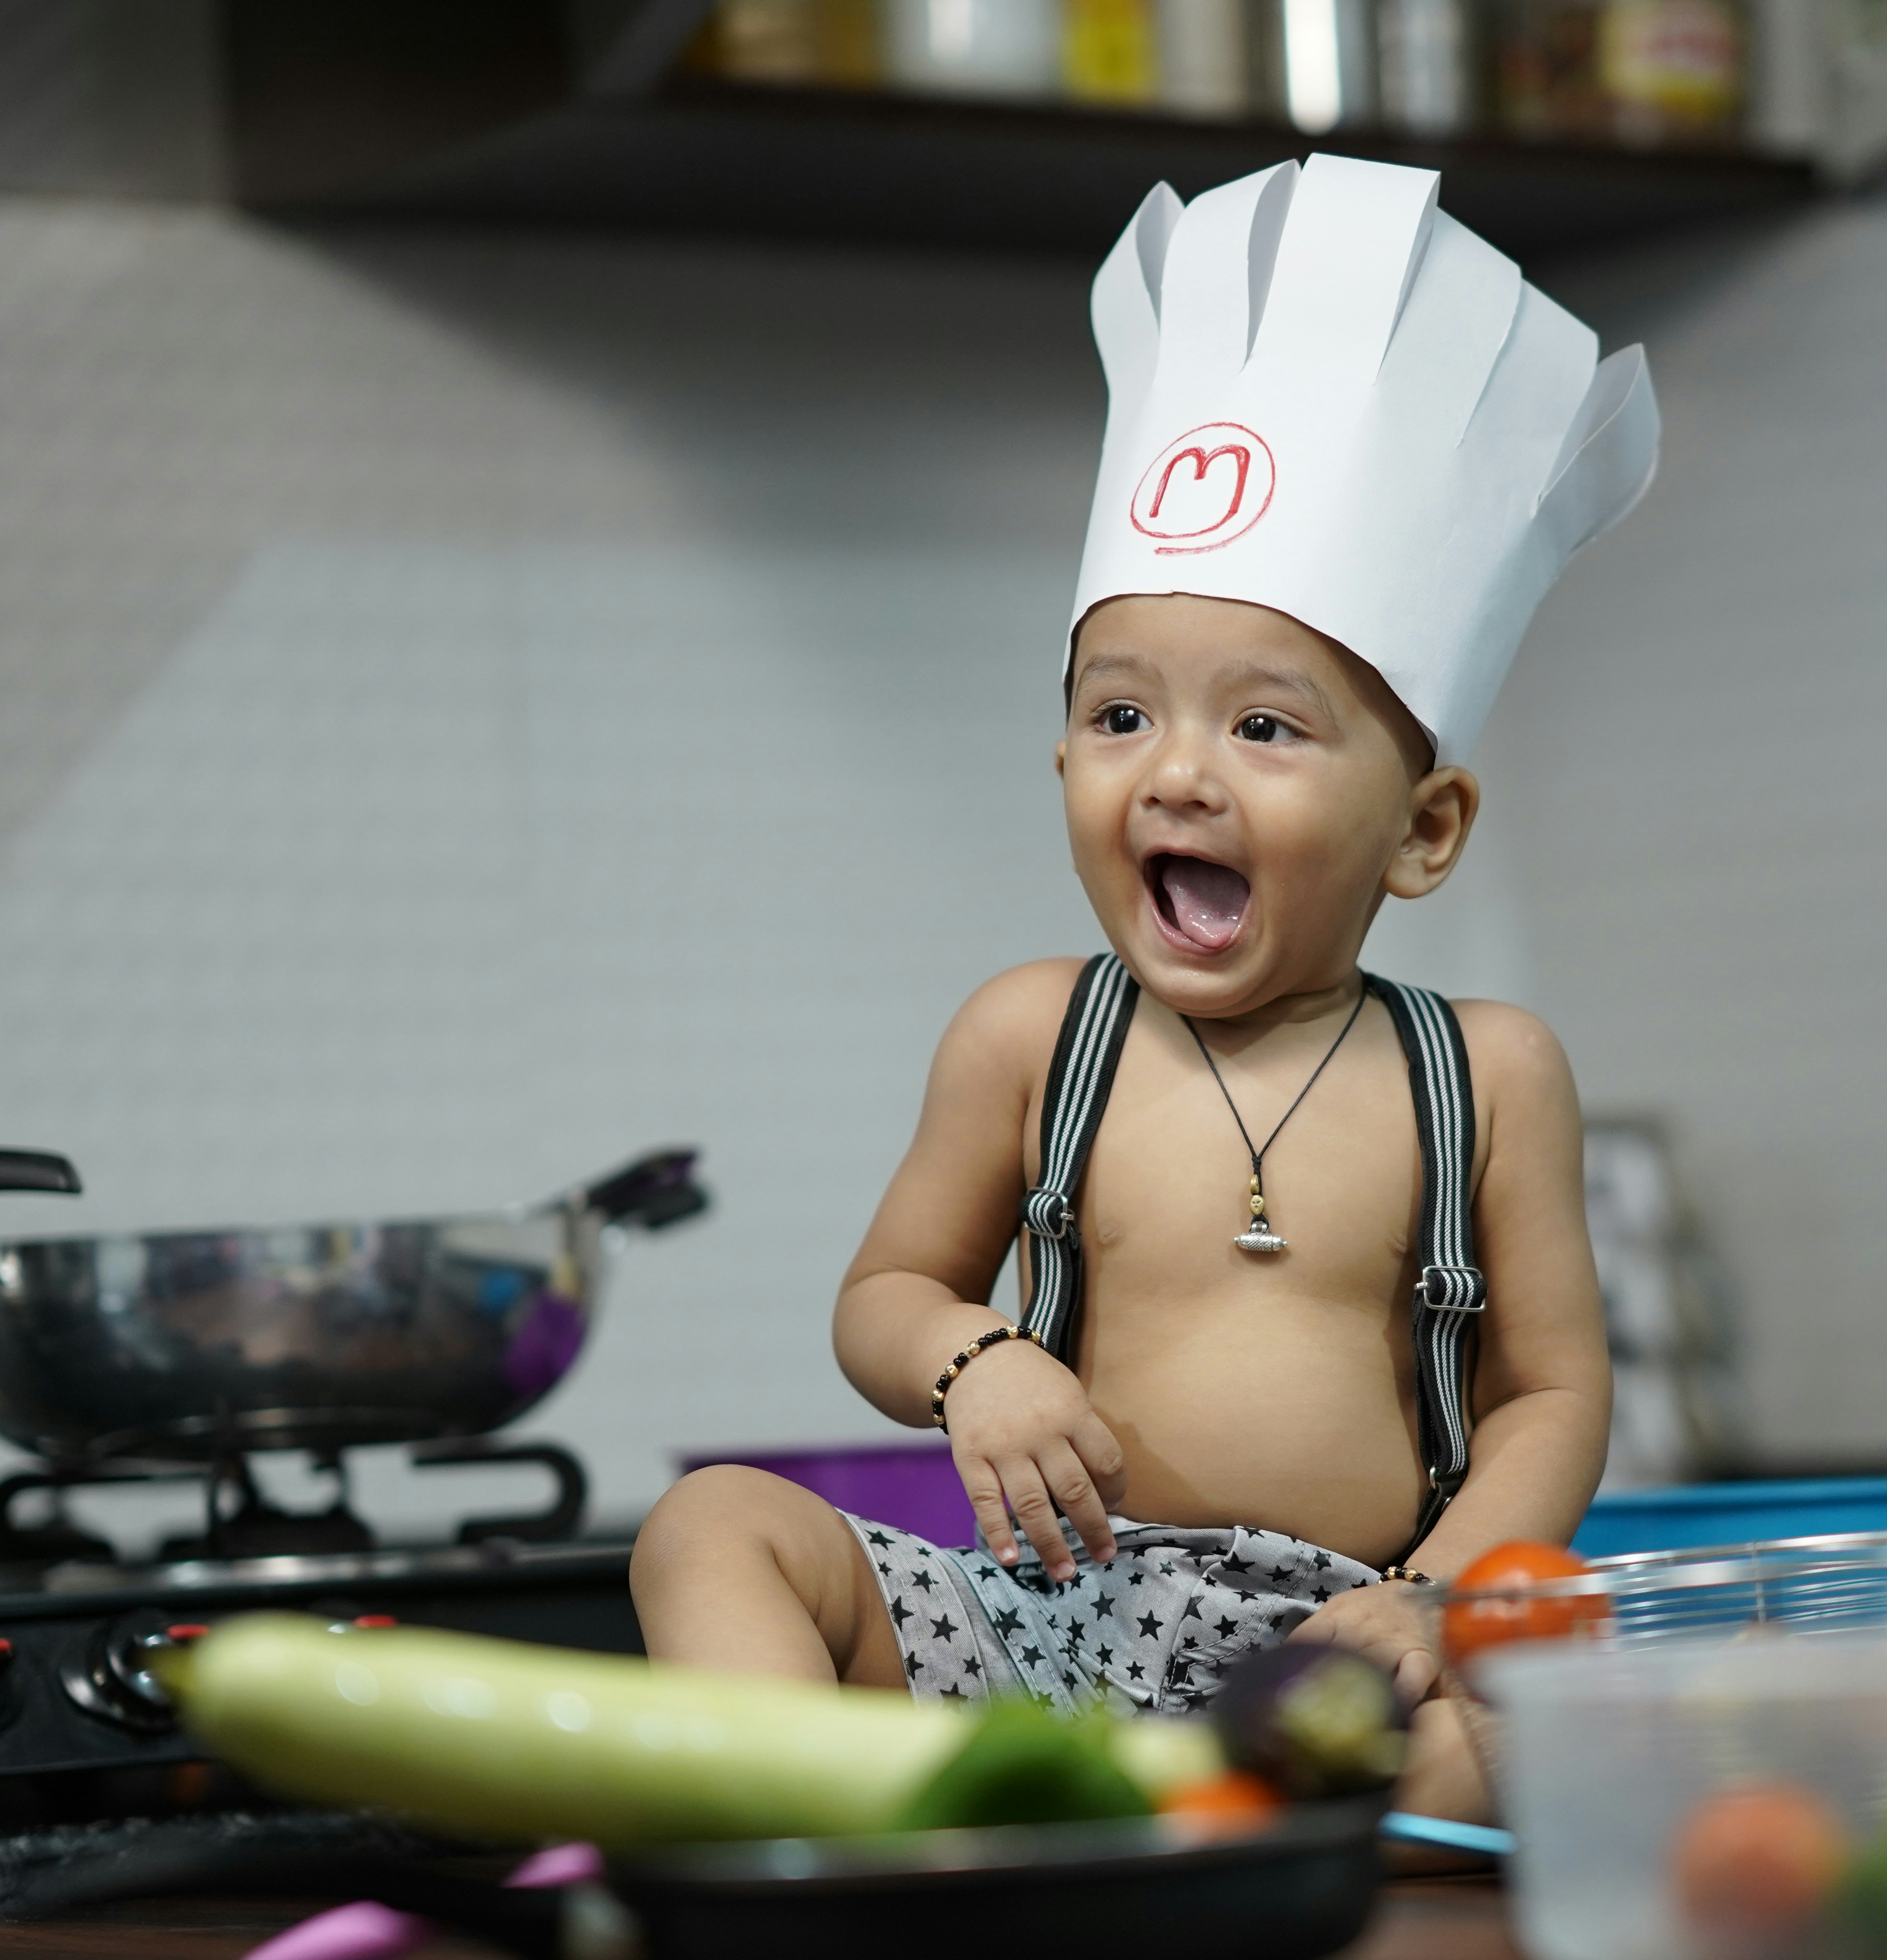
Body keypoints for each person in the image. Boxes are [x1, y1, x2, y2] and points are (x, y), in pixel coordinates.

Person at [628, 152, 1659, 1822]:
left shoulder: (1490, 1071)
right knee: (712, 1527)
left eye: (1263, 726)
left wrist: (1442, 1592)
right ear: (1061, 761)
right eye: (1123, 717)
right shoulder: (1033, 1034)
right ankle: (819, 1819)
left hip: (1330, 1649)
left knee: (1561, 1729)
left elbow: (1553, 1390)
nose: (1176, 775)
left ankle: (1124, 1827)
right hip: (1035, 1621)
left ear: (1425, 829)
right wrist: (975, 1364)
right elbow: (885, 1294)